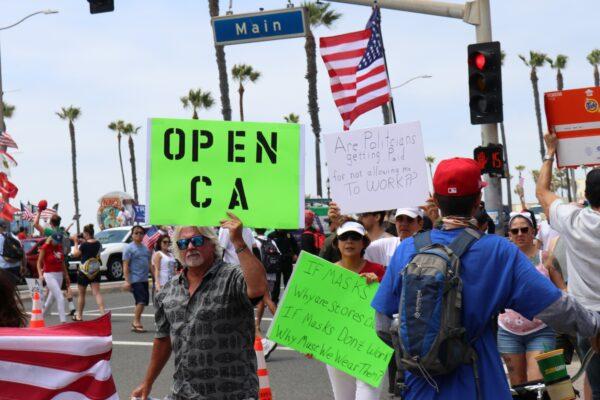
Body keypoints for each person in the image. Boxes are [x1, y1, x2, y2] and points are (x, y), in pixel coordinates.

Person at [372, 157, 600, 400]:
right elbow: (555, 307)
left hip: (420, 388)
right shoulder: (498, 251)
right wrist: (593, 326)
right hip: (480, 384)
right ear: (477, 202)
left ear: (436, 201)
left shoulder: (407, 250)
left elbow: (383, 326)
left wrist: (425, 350)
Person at [130, 212, 267, 400]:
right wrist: (148, 382)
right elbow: (162, 340)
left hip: (233, 394)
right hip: (183, 393)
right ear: (178, 251)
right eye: (183, 244)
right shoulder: (167, 292)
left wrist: (238, 242)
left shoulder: (231, 277)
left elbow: (259, 287)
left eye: (197, 240)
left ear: (212, 243)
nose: (191, 247)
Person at [536, 132, 600, 399]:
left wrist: (550, 152)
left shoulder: (573, 220)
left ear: (586, 193)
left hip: (588, 318)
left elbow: (542, 191)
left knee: (596, 385)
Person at [497, 212, 562, 386]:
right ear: (509, 234)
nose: (520, 234)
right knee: (517, 387)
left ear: (533, 231)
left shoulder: (546, 257)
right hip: (507, 332)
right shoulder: (501, 260)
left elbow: (562, 290)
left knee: (538, 385)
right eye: (515, 231)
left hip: (542, 329)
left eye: (524, 229)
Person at [325, 220, 385, 400]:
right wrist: (310, 342)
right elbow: (318, 311)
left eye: (355, 237)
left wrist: (378, 285)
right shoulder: (325, 274)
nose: (349, 241)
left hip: (371, 349)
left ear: (364, 242)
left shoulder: (379, 271)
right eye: (344, 237)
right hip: (336, 347)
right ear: (336, 243)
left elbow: (390, 306)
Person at [254, 228, 279, 359]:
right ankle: (257, 325)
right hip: (271, 274)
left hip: (259, 274)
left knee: (264, 300)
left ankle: (280, 322)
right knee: (264, 300)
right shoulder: (271, 241)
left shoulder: (254, 241)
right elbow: (278, 255)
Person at [71, 224, 104, 321]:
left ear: (86, 233)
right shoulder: (98, 243)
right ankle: (102, 313)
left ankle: (79, 315)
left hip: (84, 272)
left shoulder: (84, 245)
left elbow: (75, 254)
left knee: (81, 294)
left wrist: (76, 242)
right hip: (95, 271)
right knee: (97, 293)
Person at [123, 225, 152, 333]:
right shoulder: (129, 248)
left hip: (144, 279)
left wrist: (154, 277)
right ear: (132, 235)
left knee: (142, 302)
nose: (139, 235)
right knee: (141, 301)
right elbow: (125, 265)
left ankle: (136, 322)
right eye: (136, 233)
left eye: (141, 233)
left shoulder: (146, 249)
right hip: (135, 279)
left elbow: (149, 264)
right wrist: (127, 281)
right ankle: (136, 322)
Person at [37, 233, 70, 324]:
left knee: (51, 300)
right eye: (56, 241)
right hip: (49, 275)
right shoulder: (45, 247)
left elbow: (62, 262)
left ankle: (40, 318)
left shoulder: (59, 246)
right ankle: (63, 321)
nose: (57, 243)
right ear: (52, 239)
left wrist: (66, 275)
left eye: (59, 241)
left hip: (59, 275)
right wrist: (40, 274)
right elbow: (39, 262)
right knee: (60, 297)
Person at [267, 229, 299, 304]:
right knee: (276, 282)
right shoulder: (271, 235)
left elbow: (295, 246)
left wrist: (295, 254)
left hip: (287, 260)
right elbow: (267, 248)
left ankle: (288, 300)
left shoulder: (288, 235)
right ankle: (274, 300)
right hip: (276, 262)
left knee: (288, 281)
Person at [0, 219, 24, 286]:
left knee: (4, 291)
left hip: (3, 268)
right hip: (16, 266)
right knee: (12, 288)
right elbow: (22, 253)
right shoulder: (15, 237)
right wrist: (23, 266)